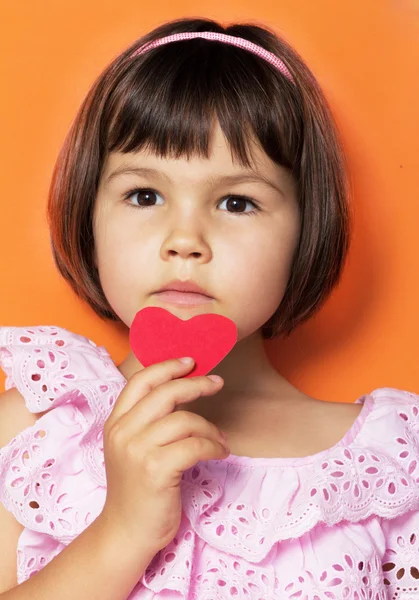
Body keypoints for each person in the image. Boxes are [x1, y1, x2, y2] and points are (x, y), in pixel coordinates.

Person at [0, 16, 415, 600]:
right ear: (88, 215)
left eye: (237, 201)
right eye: (145, 195)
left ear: (306, 229)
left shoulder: (390, 471)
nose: (184, 238)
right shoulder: (37, 431)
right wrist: (121, 534)